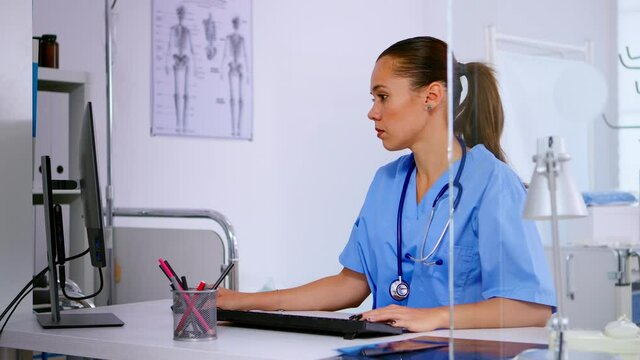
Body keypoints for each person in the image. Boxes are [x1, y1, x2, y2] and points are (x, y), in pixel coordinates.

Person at [215, 36, 555, 332]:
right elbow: (349, 285)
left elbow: (530, 308)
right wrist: (243, 301)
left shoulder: (493, 183)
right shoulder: (387, 182)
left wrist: (435, 317)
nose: (372, 112)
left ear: (431, 96)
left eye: (382, 97)